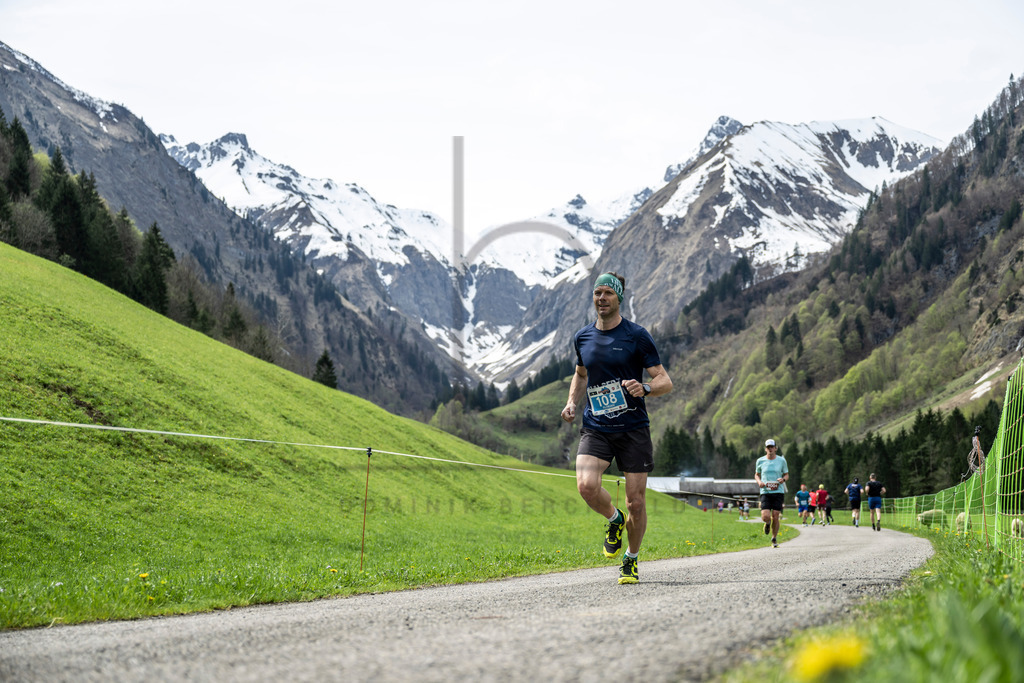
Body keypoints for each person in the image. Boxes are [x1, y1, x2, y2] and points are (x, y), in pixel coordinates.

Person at [561, 272, 673, 585]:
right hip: (596, 426)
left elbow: (665, 380)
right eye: (598, 293)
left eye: (608, 293)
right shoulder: (582, 337)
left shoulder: (637, 336)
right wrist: (572, 402)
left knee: (636, 502)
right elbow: (581, 374)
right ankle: (614, 519)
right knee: (586, 486)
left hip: (633, 429)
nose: (602, 298)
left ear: (619, 297)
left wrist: (646, 388)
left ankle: (631, 560)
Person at [755, 438, 789, 547]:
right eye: (768, 447)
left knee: (776, 515)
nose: (770, 449)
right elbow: (757, 475)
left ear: (775, 448)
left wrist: (783, 480)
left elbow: (786, 475)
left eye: (772, 447)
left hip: (778, 491)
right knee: (765, 516)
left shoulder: (781, 461)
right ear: (765, 449)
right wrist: (759, 482)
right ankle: (767, 523)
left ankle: (774, 538)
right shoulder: (760, 461)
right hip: (765, 491)